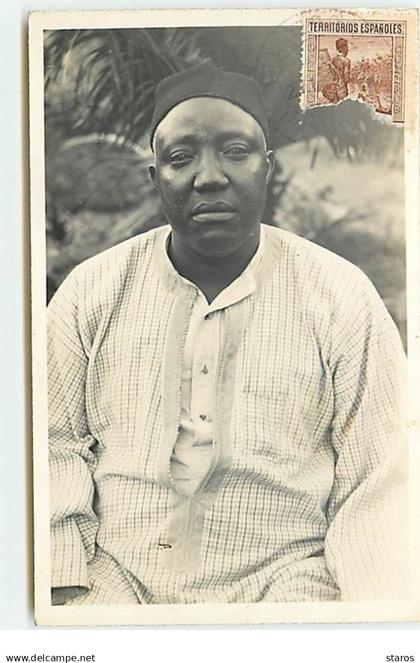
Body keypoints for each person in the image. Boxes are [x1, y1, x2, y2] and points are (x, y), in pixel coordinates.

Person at [48, 62, 407, 606]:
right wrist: (66, 592)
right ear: (155, 179)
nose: (209, 176)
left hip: (288, 584)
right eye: (180, 158)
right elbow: (48, 447)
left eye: (235, 152)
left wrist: (369, 622)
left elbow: (380, 475)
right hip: (115, 582)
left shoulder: (340, 295)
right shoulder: (91, 291)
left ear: (266, 169)